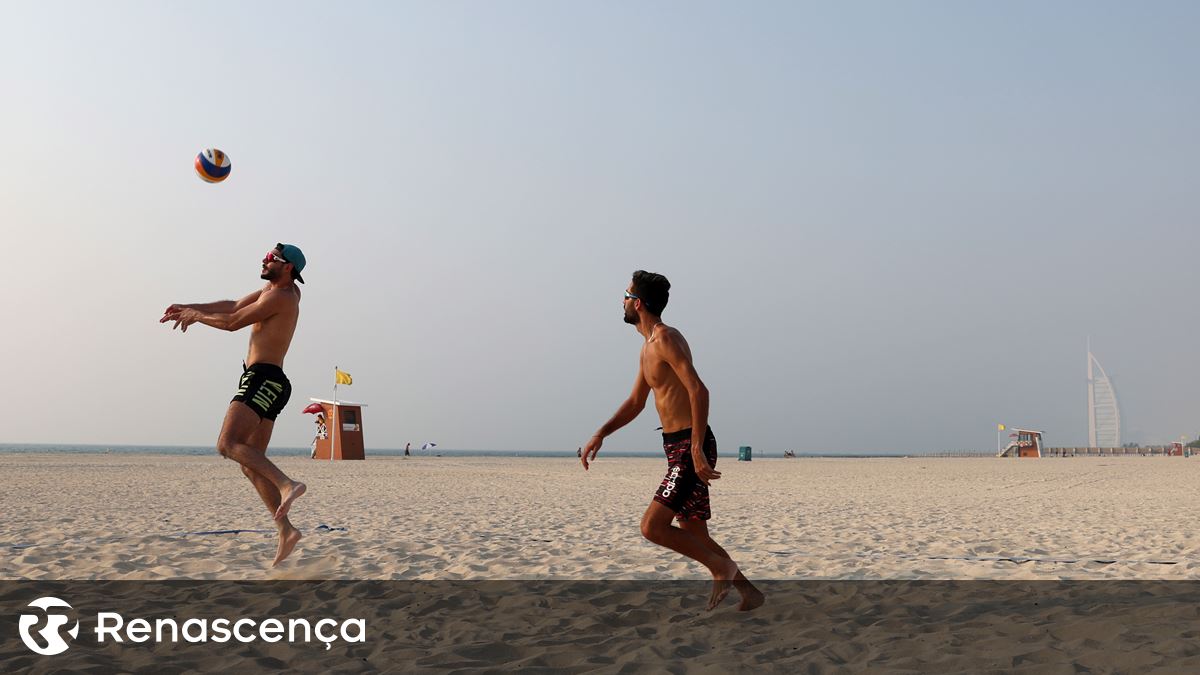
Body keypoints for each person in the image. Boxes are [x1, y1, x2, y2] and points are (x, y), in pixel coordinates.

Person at [581, 270, 763, 611]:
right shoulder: (646, 348)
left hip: (689, 445)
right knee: (696, 534)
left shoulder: (665, 339)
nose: (621, 300)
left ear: (637, 303)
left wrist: (695, 448)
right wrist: (601, 433)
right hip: (676, 446)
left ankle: (722, 569)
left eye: (625, 294)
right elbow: (636, 402)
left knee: (651, 527)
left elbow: (699, 390)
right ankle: (750, 593)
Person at [160, 243, 309, 566]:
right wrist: (189, 305)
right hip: (273, 382)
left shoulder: (279, 297)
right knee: (250, 462)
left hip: (261, 379)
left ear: (287, 268)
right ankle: (285, 530)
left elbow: (233, 322)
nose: (265, 259)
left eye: (273, 259)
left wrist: (197, 317)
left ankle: (287, 484)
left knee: (227, 444)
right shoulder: (277, 290)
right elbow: (232, 305)